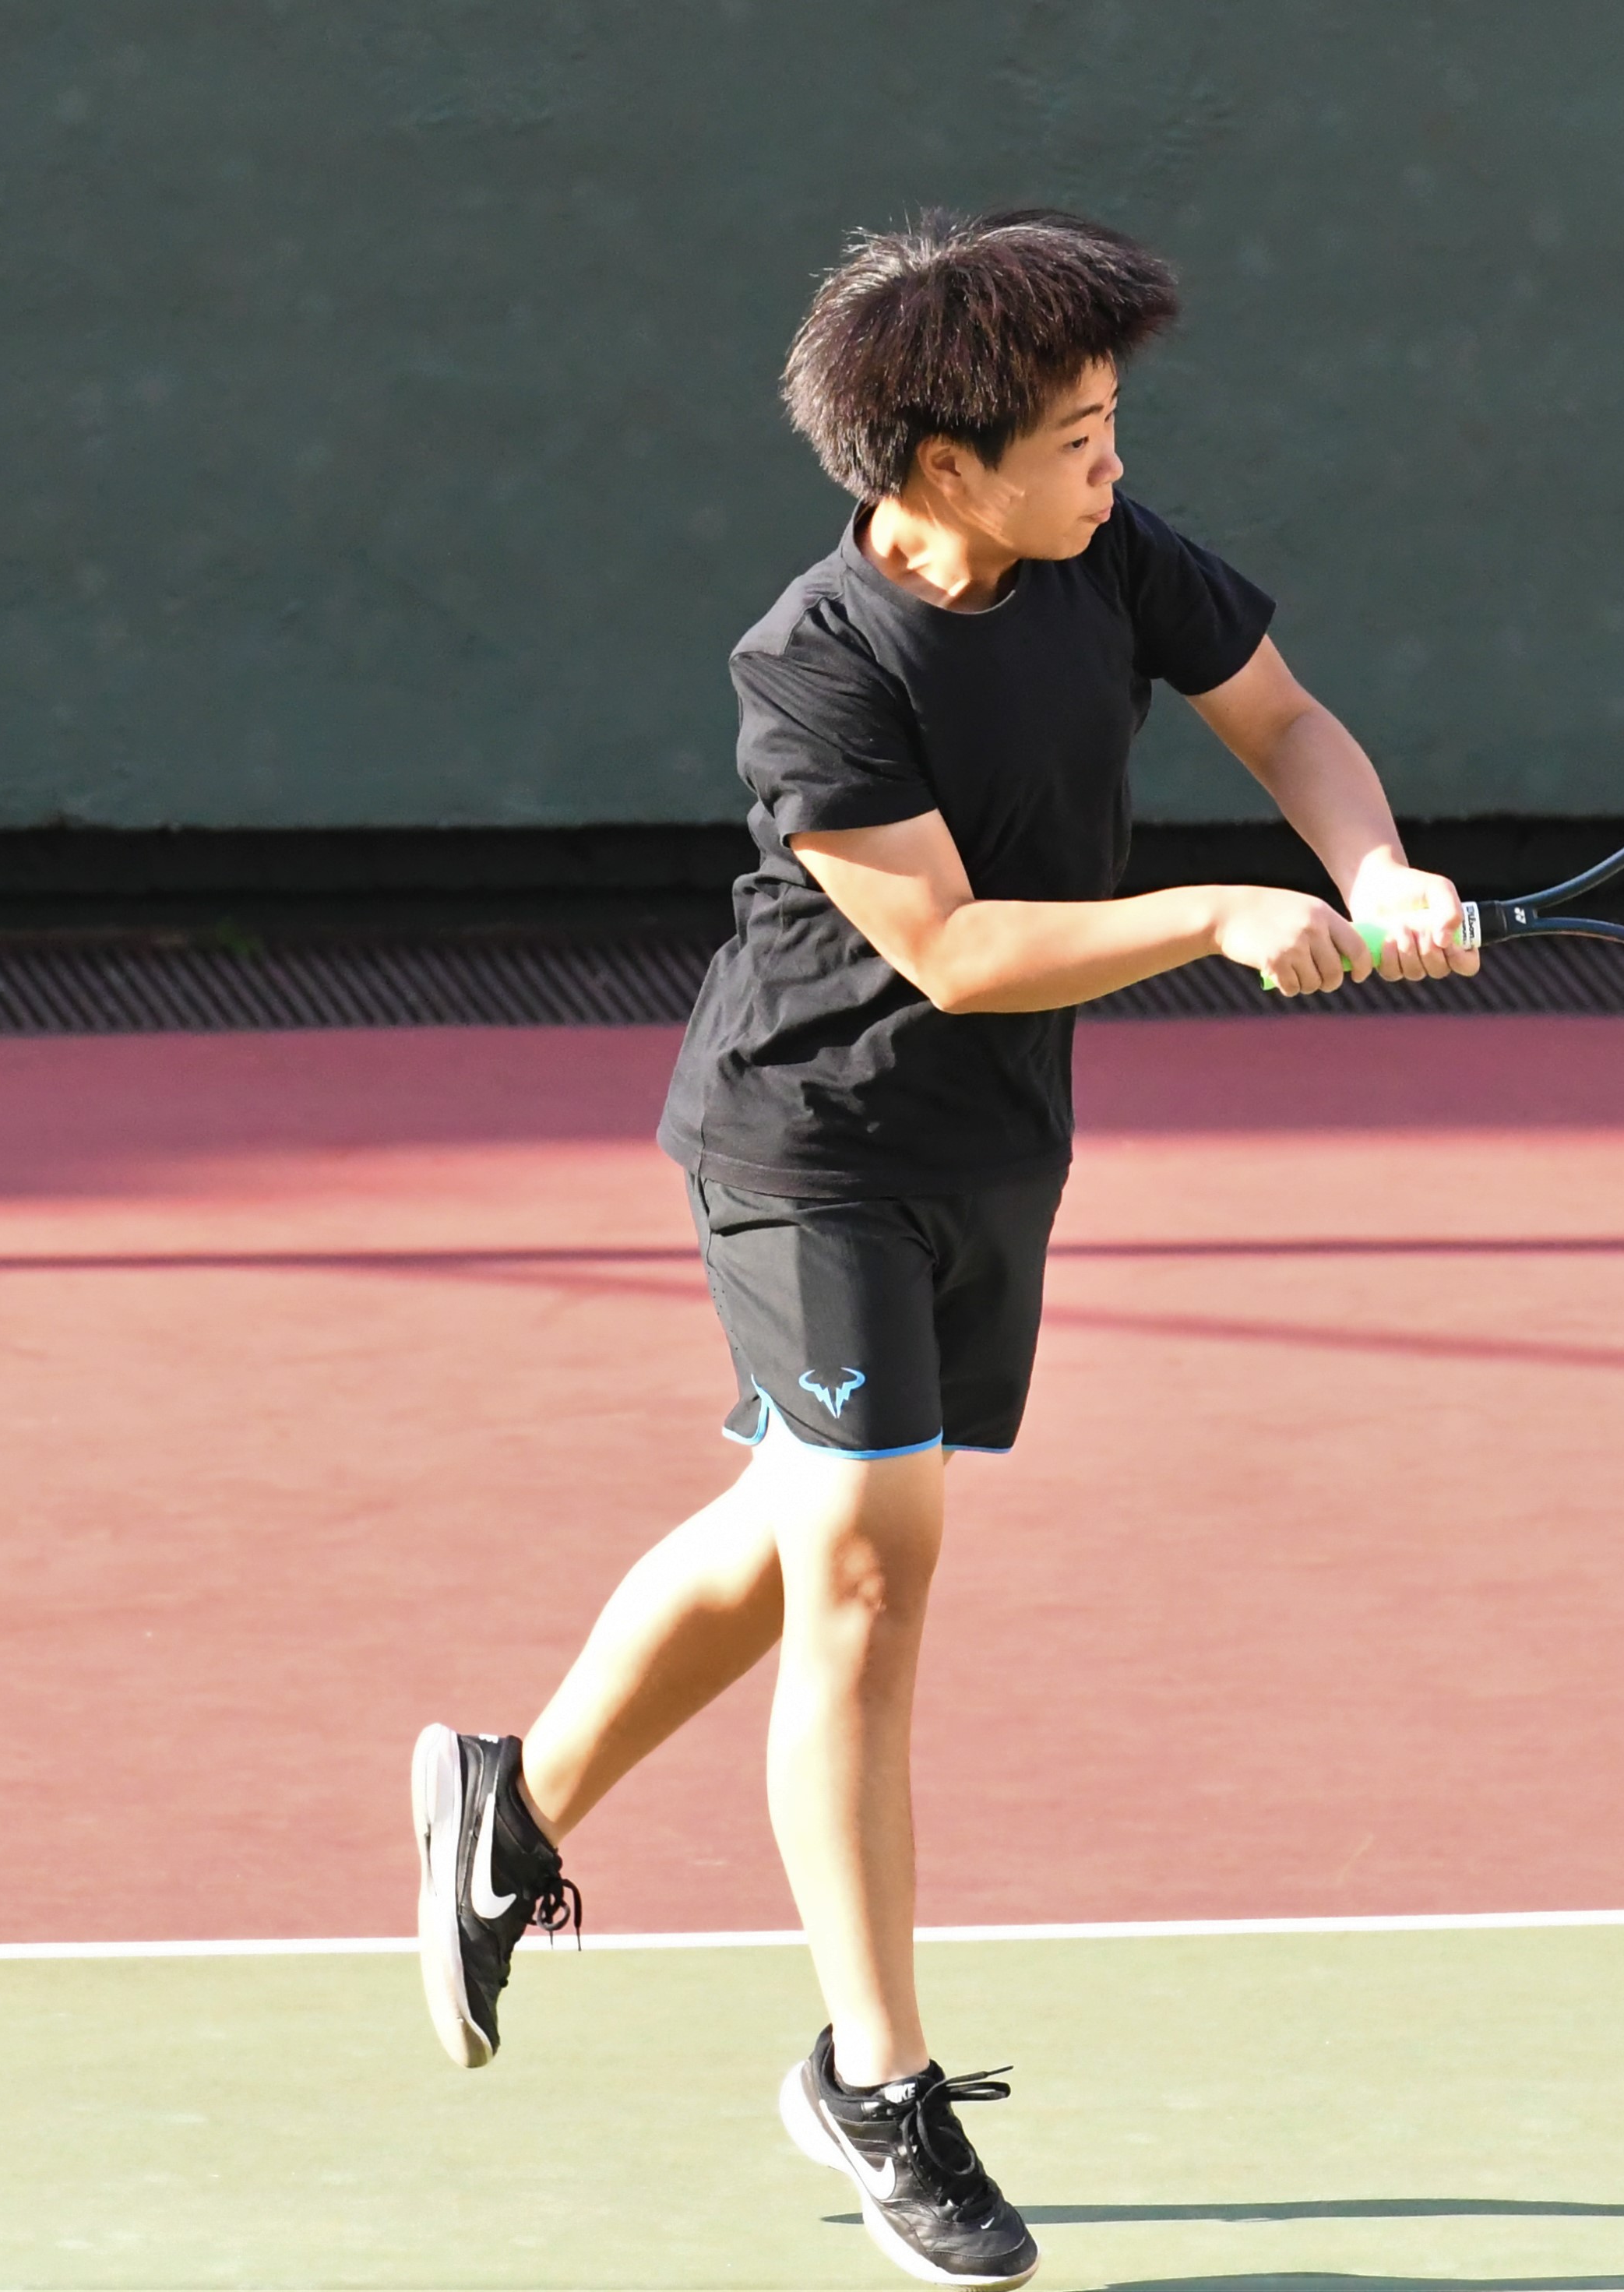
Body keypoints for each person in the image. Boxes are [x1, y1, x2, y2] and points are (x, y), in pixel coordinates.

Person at [410, 207, 1474, 2292]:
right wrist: (1220, 913)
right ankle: (875, 2078)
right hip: (811, 1140)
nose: (1112, 462)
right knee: (871, 1574)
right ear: (937, 466)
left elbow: (1285, 723)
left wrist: (1373, 866)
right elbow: (961, 950)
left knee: (802, 1524)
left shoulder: (1110, 554)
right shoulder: (813, 669)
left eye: (1112, 425)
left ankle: (504, 1806)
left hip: (994, 1147)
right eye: (1075, 437)